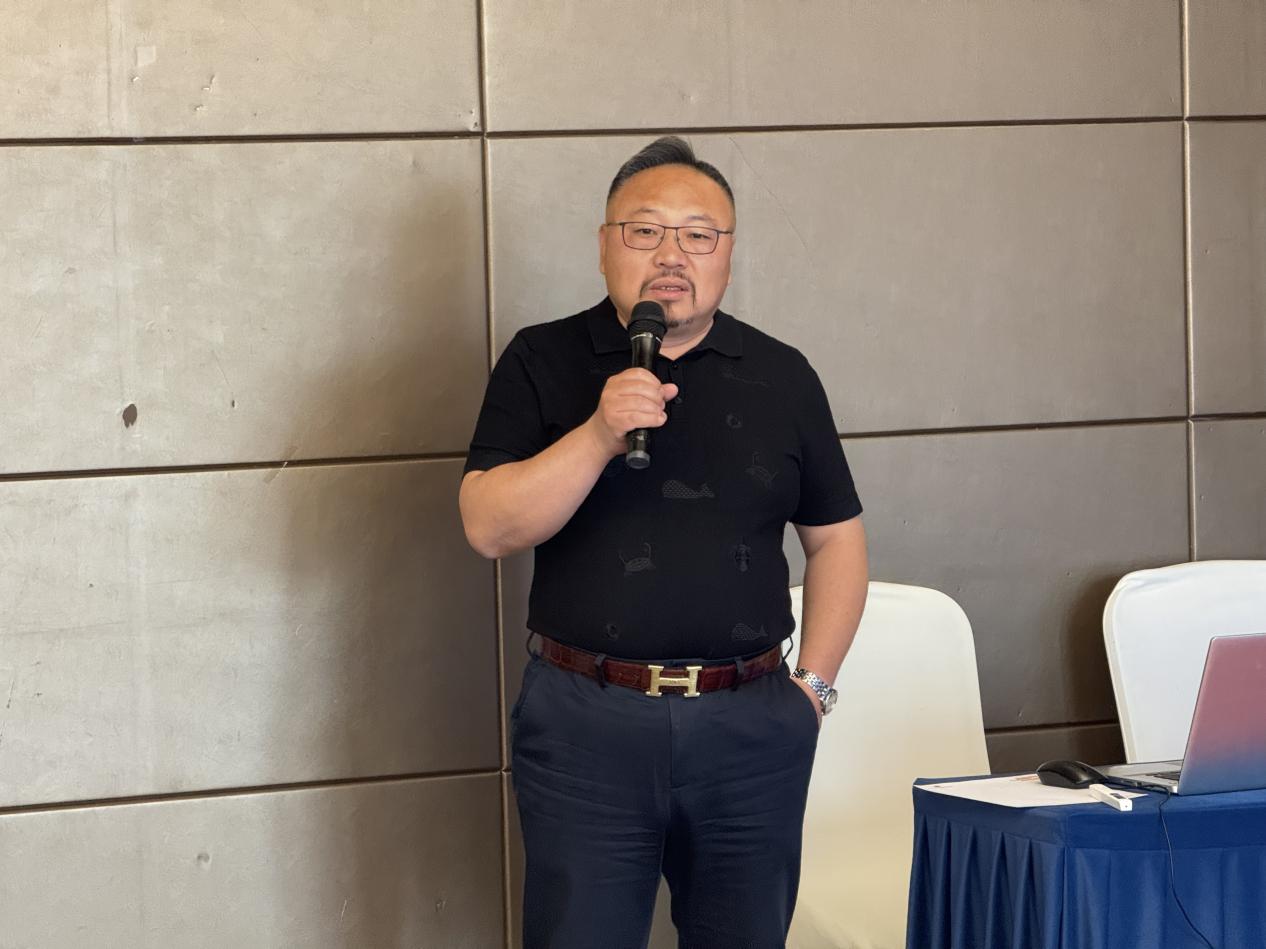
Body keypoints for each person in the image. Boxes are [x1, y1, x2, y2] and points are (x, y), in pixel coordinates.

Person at [459, 136, 868, 949]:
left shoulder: (782, 374)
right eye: (645, 231)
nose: (671, 254)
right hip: (585, 723)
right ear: (605, 245)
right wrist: (598, 432)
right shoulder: (542, 358)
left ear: (728, 253)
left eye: (698, 234)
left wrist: (812, 693)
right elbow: (487, 526)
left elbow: (837, 541)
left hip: (752, 725)